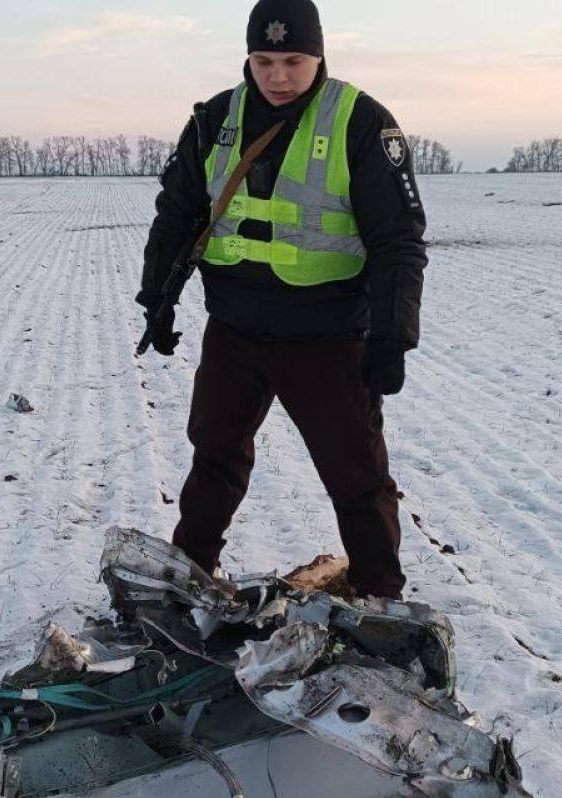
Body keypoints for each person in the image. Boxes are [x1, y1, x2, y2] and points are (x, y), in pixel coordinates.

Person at [136, 0, 427, 600]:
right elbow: (178, 214)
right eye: (264, 60)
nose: (278, 76)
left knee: (357, 478)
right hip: (235, 330)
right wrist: (156, 299)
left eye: (294, 60)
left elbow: (397, 239)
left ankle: (381, 601)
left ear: (318, 55)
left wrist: (391, 337)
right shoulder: (214, 119)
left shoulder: (361, 122)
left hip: (327, 334)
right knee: (213, 456)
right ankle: (190, 578)